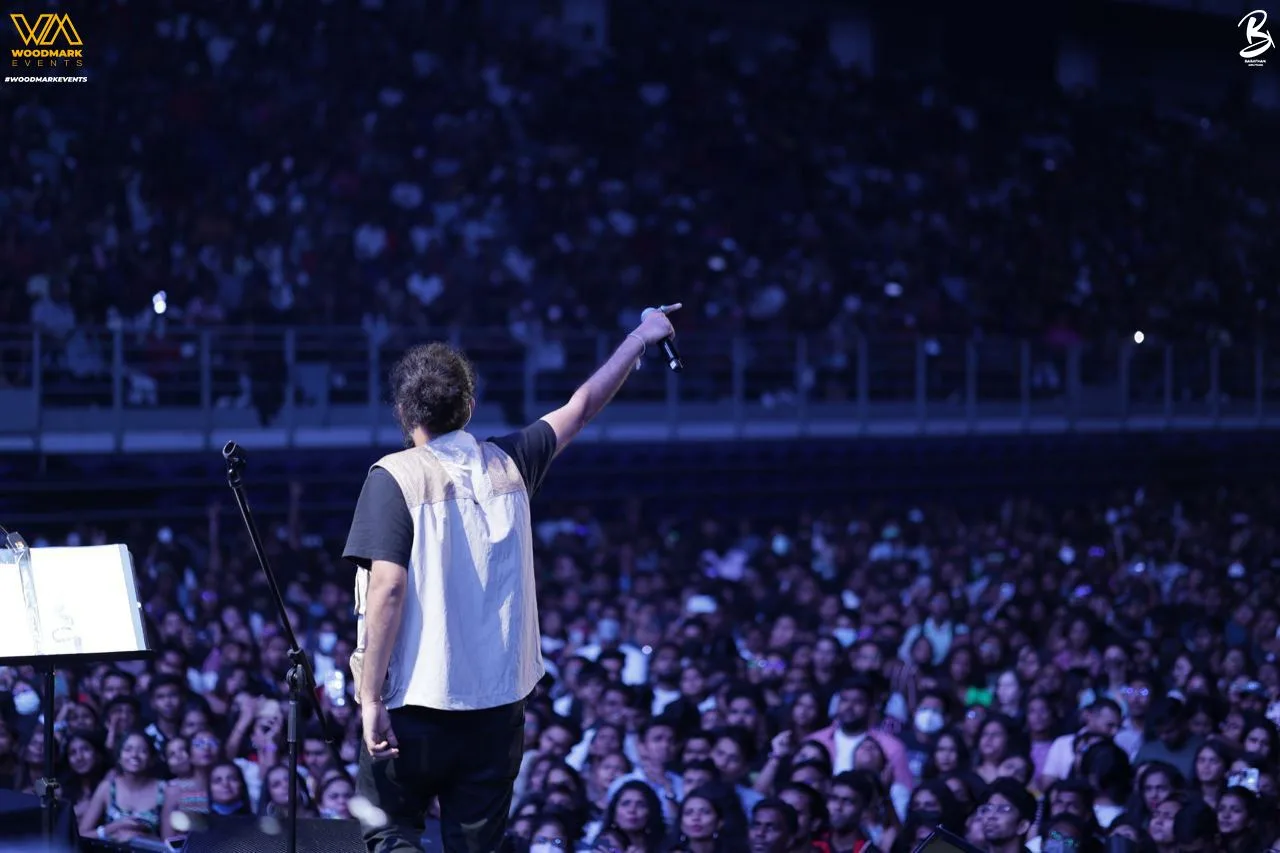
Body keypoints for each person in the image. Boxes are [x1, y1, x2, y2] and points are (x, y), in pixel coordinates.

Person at [344, 304, 682, 852]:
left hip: (416, 704)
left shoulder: (393, 477)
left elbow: (387, 588)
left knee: (390, 830)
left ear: (402, 412)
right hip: (498, 712)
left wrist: (369, 699)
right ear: (470, 407)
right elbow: (582, 406)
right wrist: (640, 337)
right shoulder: (510, 463)